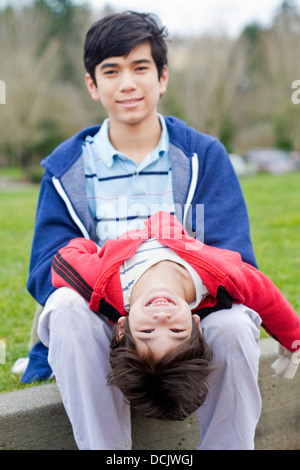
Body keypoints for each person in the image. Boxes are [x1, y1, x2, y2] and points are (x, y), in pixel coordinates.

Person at [23, 11, 266, 449]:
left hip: (190, 315)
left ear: (163, 77)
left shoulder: (202, 156)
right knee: (62, 307)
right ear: (93, 85)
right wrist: (123, 303)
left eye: (140, 68)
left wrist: (175, 307)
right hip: (104, 315)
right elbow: (45, 267)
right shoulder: (67, 168)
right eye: (111, 71)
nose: (128, 84)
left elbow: (238, 258)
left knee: (234, 328)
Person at [42, 211, 300, 423]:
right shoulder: (220, 276)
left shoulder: (102, 284)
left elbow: (64, 262)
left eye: (147, 332)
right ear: (197, 325)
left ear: (123, 327)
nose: (162, 318)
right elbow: (264, 294)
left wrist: (88, 246)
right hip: (173, 226)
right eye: (177, 332)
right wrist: (294, 339)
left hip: (129, 228)